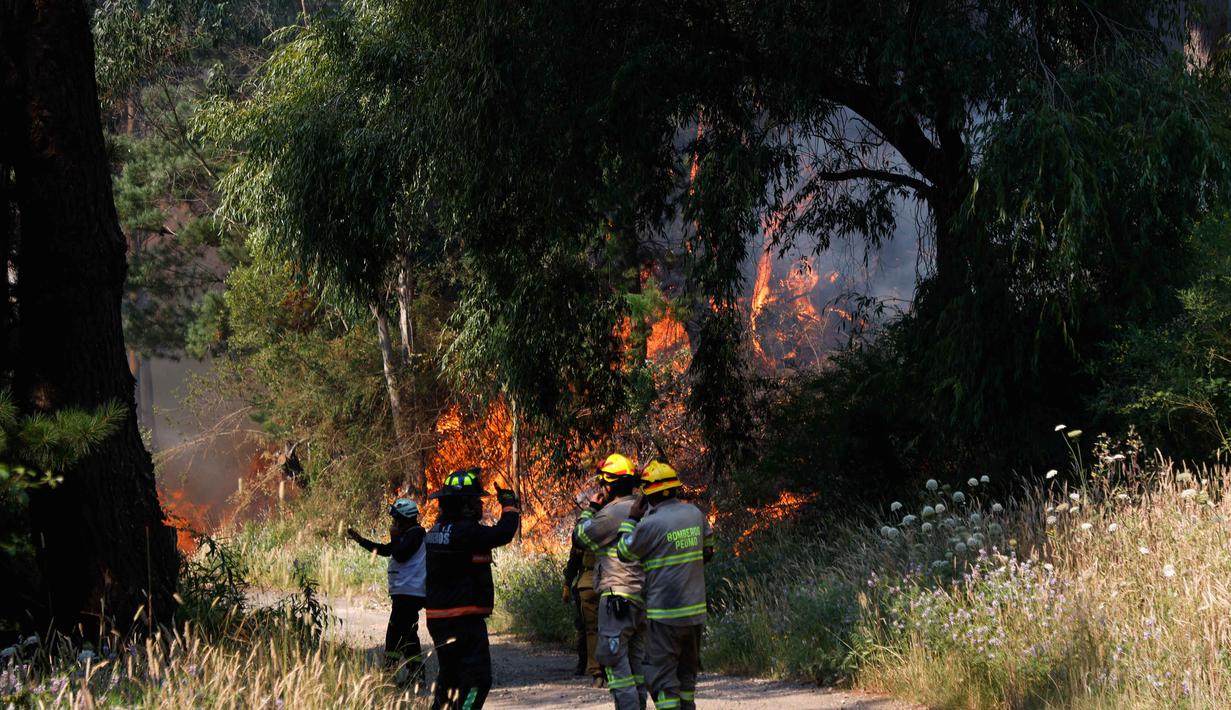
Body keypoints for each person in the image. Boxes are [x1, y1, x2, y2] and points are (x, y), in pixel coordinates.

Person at [615, 461, 714, 710]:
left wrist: (631, 518)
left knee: (662, 680)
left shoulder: (650, 524)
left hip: (664, 617)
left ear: (648, 495)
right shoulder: (695, 514)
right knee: (686, 678)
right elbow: (708, 552)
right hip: (694, 613)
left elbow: (624, 551)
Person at [424, 467, 520, 710]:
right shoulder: (465, 531)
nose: (480, 505)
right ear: (464, 504)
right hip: (464, 621)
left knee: (449, 680)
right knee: (478, 681)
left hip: (439, 619)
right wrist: (509, 506)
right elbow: (504, 533)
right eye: (476, 500)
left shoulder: (435, 531)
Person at [577, 453, 647, 709]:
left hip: (617, 598)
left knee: (616, 665)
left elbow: (580, 537)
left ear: (609, 486)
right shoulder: (646, 509)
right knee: (636, 665)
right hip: (643, 600)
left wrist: (590, 510)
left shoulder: (611, 514)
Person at [346, 497, 427, 688]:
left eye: (396, 520)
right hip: (404, 594)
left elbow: (399, 554)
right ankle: (409, 674)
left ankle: (397, 674)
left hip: (410, 595)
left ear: (404, 519)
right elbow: (385, 550)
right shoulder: (407, 535)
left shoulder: (416, 534)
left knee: (399, 634)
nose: (394, 524)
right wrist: (361, 541)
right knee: (404, 635)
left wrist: (395, 536)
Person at [563, 499, 601, 682]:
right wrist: (567, 583)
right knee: (585, 627)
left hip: (591, 583)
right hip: (590, 582)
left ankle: (596, 669)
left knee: (591, 628)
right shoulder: (612, 524)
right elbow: (574, 560)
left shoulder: (588, 530)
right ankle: (584, 663)